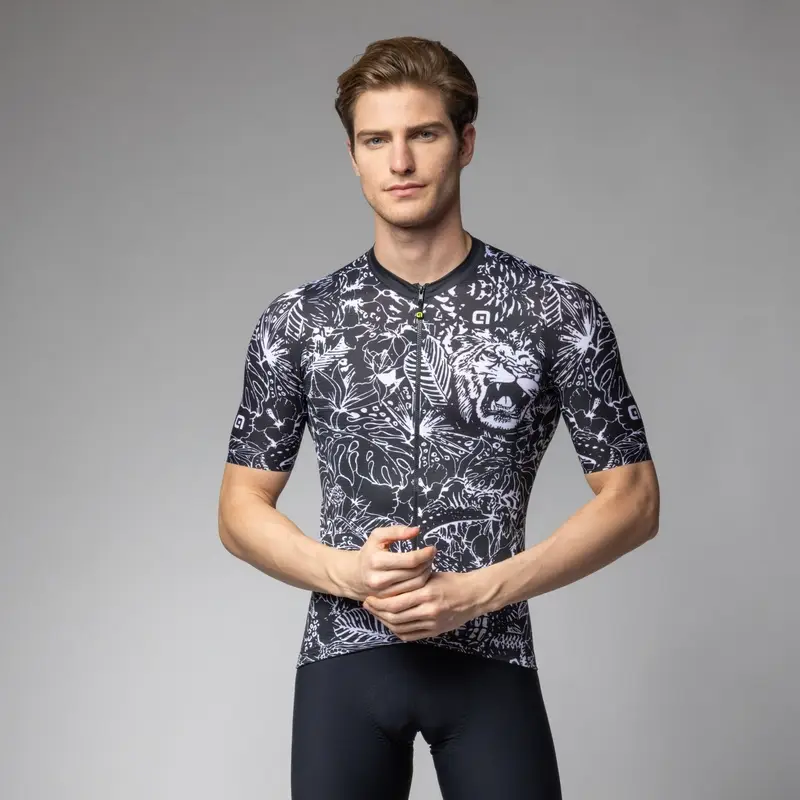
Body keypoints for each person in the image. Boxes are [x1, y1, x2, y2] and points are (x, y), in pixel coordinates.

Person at [218, 35, 659, 800]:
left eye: (422, 134)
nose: (400, 162)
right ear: (353, 156)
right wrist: (345, 572)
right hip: (343, 665)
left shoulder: (554, 311)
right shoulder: (299, 321)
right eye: (375, 140)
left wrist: (479, 592)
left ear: (465, 143)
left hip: (491, 659)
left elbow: (635, 500)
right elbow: (238, 508)